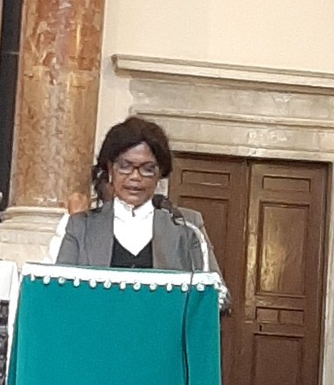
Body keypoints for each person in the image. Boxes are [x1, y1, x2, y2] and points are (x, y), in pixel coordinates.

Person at [52, 118, 219, 275]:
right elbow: (60, 287)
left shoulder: (187, 225)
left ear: (160, 173)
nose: (135, 177)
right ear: (110, 169)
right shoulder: (81, 226)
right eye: (125, 166)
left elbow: (217, 291)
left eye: (147, 169)